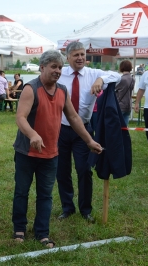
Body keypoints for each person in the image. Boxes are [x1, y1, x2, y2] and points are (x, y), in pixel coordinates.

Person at [12, 49, 102, 248]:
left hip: (50, 153)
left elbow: (74, 118)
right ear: (42, 67)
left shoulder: (62, 90)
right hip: (26, 152)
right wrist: (33, 135)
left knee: (45, 194)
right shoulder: (30, 88)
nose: (58, 71)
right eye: (53, 67)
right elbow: (20, 118)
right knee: (22, 192)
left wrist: (88, 140)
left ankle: (42, 232)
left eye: (60, 67)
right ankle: (19, 228)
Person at [56, 41, 121, 223]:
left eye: (83, 54)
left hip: (83, 130)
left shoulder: (94, 74)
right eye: (76, 55)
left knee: (84, 169)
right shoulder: (60, 75)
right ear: (68, 57)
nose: (80, 58)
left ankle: (86, 210)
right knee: (62, 171)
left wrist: (101, 80)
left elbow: (118, 76)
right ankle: (67, 207)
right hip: (60, 129)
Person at [115, 60, 135, 126]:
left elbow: (114, 89)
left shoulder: (121, 79)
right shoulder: (133, 79)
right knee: (124, 127)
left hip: (120, 105)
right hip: (128, 105)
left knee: (116, 127)